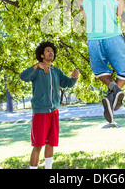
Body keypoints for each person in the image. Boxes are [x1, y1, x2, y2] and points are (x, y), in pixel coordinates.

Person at [77, 0, 125, 123]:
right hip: (112, 34)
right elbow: (119, 12)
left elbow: (83, 12)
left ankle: (112, 91)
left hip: (93, 37)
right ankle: (114, 95)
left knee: (100, 71)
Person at [20, 41, 79, 169]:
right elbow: (23, 76)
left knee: (51, 143)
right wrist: (36, 66)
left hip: (54, 112)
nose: (50, 52)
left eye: (52, 51)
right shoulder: (36, 70)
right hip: (40, 112)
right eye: (47, 50)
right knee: (38, 146)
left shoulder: (56, 71)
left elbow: (67, 83)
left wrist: (74, 78)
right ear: (41, 55)